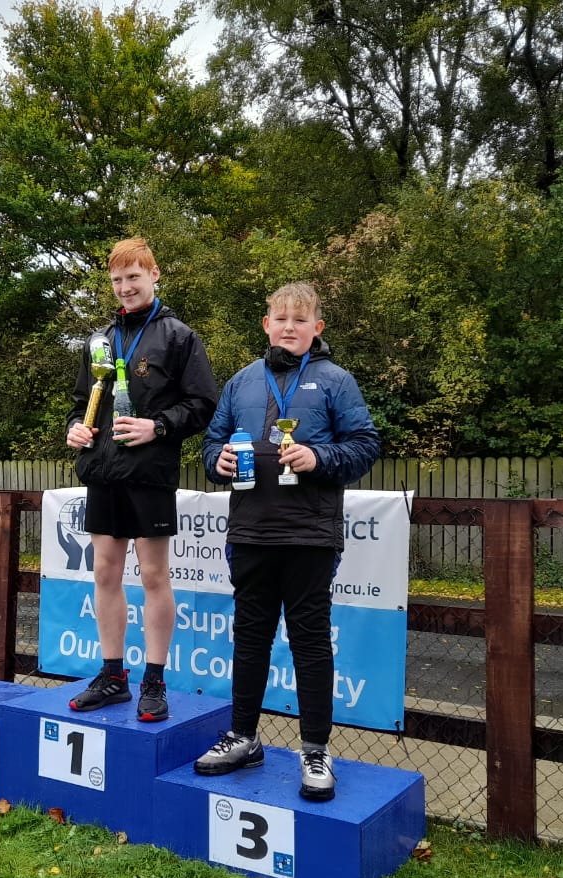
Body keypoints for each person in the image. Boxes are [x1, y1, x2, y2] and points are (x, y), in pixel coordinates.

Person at [193, 282, 379, 800]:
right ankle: (243, 736)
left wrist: (319, 458)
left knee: (310, 642)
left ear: (317, 327)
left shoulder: (336, 380)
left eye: (300, 320)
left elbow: (366, 445)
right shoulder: (241, 382)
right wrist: (217, 461)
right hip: (250, 530)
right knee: (250, 638)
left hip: (310, 534)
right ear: (266, 324)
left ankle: (315, 750)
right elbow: (211, 443)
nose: (290, 328)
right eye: (281, 319)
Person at [65, 237, 218, 721]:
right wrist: (74, 429)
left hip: (149, 474)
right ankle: (113, 676)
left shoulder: (178, 336)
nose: (125, 287)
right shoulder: (100, 340)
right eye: (117, 280)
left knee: (153, 576)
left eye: (133, 276)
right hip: (102, 471)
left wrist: (158, 427)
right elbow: (80, 403)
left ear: (154, 275)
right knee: (105, 573)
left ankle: (154, 680)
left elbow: (203, 404)